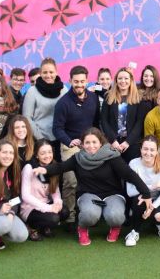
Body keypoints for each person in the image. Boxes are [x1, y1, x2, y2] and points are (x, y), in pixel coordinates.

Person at [33, 128, 152, 246]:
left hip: (113, 194)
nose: (91, 146)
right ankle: (82, 228)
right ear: (82, 144)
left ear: (101, 142)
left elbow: (129, 175)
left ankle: (115, 227)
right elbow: (60, 167)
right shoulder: (78, 158)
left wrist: (146, 193)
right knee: (90, 215)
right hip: (88, 194)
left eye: (94, 142)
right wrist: (45, 169)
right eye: (87, 142)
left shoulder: (111, 156)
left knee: (115, 216)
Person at [53, 65, 100, 230]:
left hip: (90, 144)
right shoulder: (63, 103)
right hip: (70, 145)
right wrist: (69, 141)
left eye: (82, 81)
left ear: (87, 81)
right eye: (76, 81)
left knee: (92, 178)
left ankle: (91, 213)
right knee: (71, 181)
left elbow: (96, 122)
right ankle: (70, 217)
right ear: (70, 81)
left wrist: (95, 142)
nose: (79, 84)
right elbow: (57, 128)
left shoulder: (93, 98)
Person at [125, 136, 160, 246]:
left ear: (157, 151)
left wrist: (153, 206)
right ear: (141, 149)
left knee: (159, 216)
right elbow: (130, 191)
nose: (148, 153)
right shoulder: (133, 164)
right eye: (145, 149)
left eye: (152, 150)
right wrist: (152, 186)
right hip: (141, 199)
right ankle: (135, 231)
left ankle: (159, 224)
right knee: (140, 198)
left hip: (158, 200)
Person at [20, 140, 68, 241]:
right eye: (43, 153)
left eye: (49, 152)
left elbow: (55, 191)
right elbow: (25, 196)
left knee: (64, 211)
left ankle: (44, 226)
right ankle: (31, 227)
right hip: (30, 208)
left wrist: (57, 203)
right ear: (36, 155)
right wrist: (48, 208)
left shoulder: (53, 166)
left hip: (45, 203)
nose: (47, 156)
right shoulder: (29, 168)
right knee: (54, 219)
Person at [22, 57, 67, 158]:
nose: (48, 75)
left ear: (56, 72)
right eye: (45, 72)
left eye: (51, 72)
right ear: (41, 73)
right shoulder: (32, 91)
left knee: (58, 171)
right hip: (39, 140)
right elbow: (27, 117)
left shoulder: (64, 90)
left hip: (60, 139)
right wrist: (41, 139)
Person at [100, 67, 147, 162]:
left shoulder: (138, 98)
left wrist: (128, 142)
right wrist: (113, 140)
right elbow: (104, 121)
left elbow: (139, 122)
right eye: (120, 78)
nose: (123, 81)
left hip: (132, 144)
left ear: (131, 80)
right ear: (116, 80)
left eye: (126, 78)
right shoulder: (108, 97)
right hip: (113, 144)